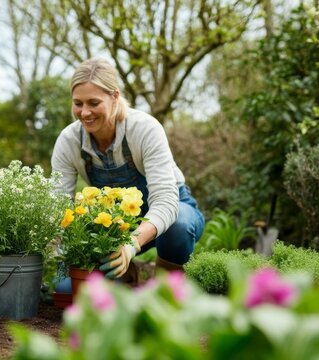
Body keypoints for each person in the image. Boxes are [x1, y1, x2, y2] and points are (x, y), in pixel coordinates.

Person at [51, 58, 205, 280]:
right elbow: (58, 205)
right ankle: (125, 275)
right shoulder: (69, 140)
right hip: (115, 220)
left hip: (171, 209)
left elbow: (165, 201)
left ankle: (165, 290)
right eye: (78, 103)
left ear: (115, 97)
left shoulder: (144, 129)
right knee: (76, 259)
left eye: (94, 103)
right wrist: (58, 264)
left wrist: (131, 244)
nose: (85, 112)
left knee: (178, 227)